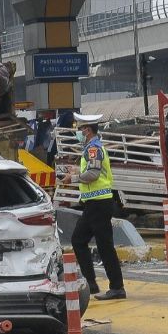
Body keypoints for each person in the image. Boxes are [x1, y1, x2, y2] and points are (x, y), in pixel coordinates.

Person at [58, 112, 126, 301]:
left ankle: (117, 287)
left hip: (99, 202)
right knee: (79, 240)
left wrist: (74, 177)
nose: (78, 132)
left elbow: (94, 175)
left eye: (80, 129)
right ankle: (91, 283)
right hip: (93, 203)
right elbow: (92, 171)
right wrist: (79, 171)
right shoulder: (91, 148)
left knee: (104, 246)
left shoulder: (93, 148)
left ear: (87, 130)